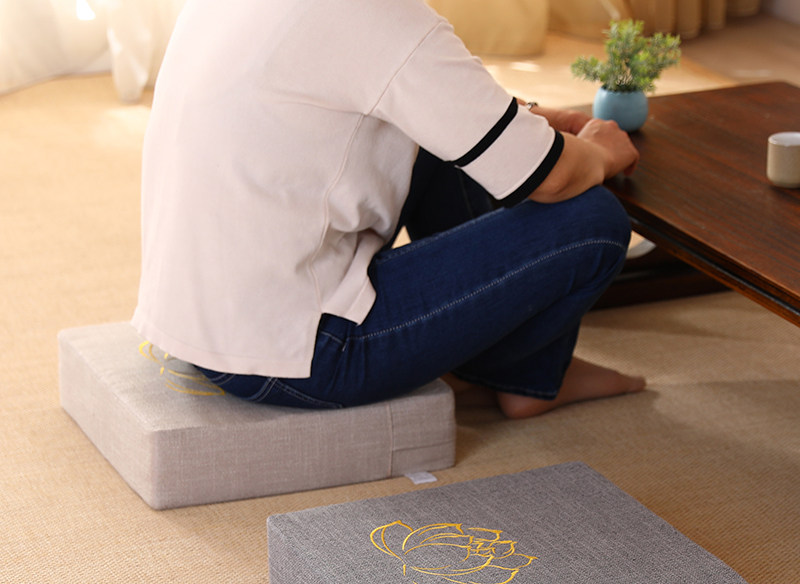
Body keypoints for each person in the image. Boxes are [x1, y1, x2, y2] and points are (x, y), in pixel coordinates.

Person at [133, 0, 645, 420]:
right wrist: (601, 151)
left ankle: (518, 370)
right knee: (593, 220)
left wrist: (521, 119)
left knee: (444, 136)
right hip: (298, 356)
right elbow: (553, 178)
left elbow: (402, 88)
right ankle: (526, 375)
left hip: (197, 323)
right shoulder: (381, 17)